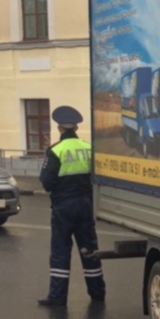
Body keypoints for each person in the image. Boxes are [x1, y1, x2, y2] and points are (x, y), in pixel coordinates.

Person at [37, 106, 106, 307]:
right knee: (90, 249)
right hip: (86, 205)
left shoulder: (55, 150)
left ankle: (57, 297)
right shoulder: (88, 148)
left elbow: (46, 181)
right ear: (76, 128)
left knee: (61, 251)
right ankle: (98, 293)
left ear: (59, 128)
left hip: (64, 207)